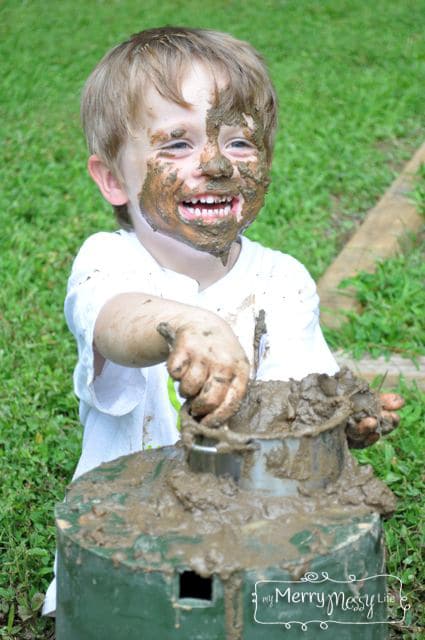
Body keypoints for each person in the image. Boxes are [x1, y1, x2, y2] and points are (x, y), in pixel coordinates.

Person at [43, 26, 403, 615]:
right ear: (112, 178)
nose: (213, 164)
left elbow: (303, 393)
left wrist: (342, 421)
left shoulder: (283, 280)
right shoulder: (108, 263)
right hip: (133, 545)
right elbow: (116, 322)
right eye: (176, 144)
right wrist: (186, 325)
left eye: (238, 143)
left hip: (259, 535)